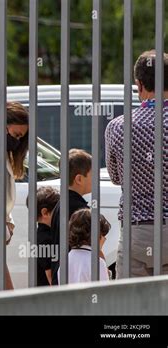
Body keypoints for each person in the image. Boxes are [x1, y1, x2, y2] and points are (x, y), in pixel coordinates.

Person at [105, 50, 168, 278]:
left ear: (139, 85)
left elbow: (115, 177)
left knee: (131, 304)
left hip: (137, 231)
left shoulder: (118, 127)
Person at [0, 102, 29, 291]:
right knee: (4, 296)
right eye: (16, 135)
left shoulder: (0, 153)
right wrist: (2, 228)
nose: (16, 141)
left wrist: (8, 222)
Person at [50, 148, 92, 285]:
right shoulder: (80, 210)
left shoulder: (59, 204)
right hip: (75, 277)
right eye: (92, 175)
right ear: (79, 179)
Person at [58, 208, 111, 284]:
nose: (104, 239)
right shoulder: (98, 263)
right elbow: (104, 293)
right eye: (103, 235)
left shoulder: (65, 261)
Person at [28, 186, 60, 286]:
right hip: (47, 294)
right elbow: (49, 274)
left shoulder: (49, 233)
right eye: (58, 211)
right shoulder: (43, 239)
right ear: (45, 212)